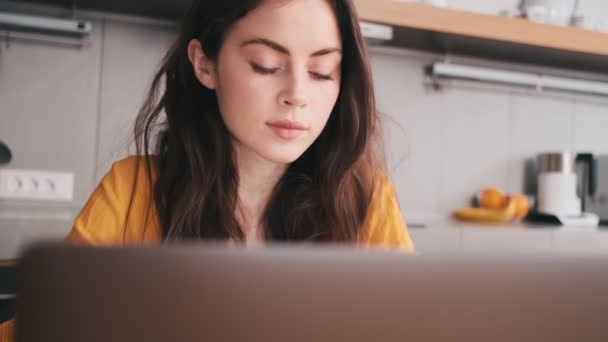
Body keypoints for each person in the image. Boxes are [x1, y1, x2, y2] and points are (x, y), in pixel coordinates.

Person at [0, 0, 414, 340]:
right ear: (204, 65)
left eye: (322, 72)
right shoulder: (133, 190)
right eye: (266, 65)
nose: (297, 96)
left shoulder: (366, 200)